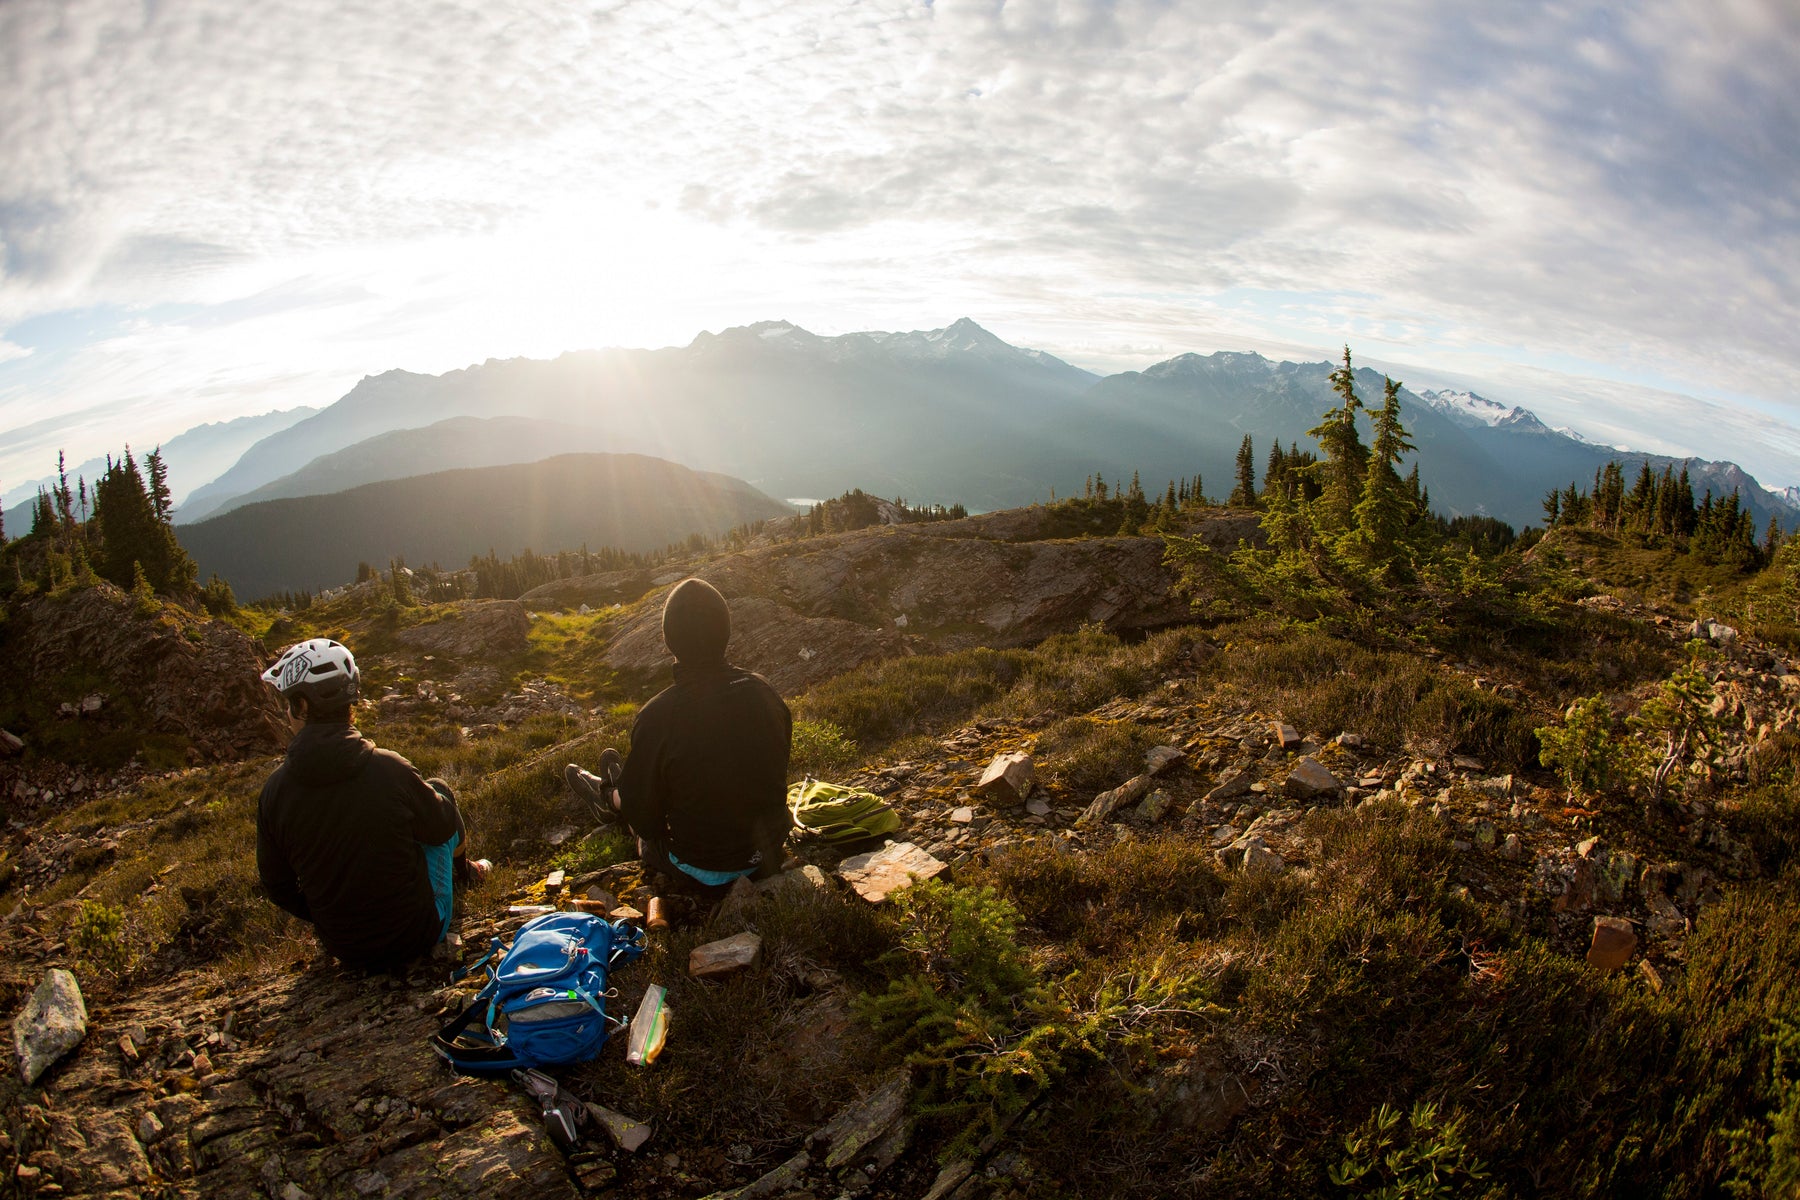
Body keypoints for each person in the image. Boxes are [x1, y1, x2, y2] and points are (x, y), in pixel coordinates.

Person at [255, 637, 488, 970]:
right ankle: (467, 873)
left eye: (290, 702)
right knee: (439, 793)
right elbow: (442, 828)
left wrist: (328, 914)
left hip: (344, 947)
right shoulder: (390, 768)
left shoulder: (274, 792)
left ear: (303, 706)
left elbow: (278, 886)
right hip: (417, 935)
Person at [566, 577, 793, 893]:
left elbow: (649, 824)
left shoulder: (659, 715)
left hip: (704, 868)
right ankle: (622, 789)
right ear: (725, 631)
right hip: (770, 851)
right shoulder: (765, 692)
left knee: (641, 826)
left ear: (668, 638)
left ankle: (613, 797)